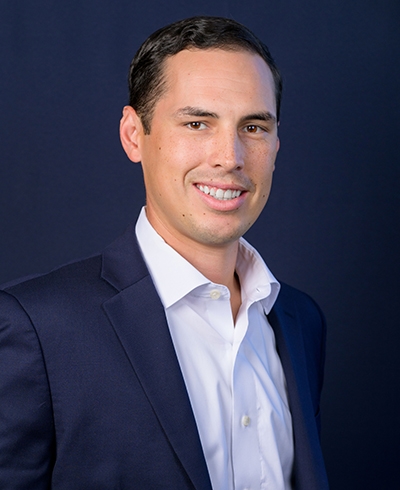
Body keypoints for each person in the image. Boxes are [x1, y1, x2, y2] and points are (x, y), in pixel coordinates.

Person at [0, 16, 329, 490]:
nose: (230, 156)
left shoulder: (301, 321)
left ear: (276, 144)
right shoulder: (37, 329)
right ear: (134, 135)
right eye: (197, 123)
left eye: (254, 126)